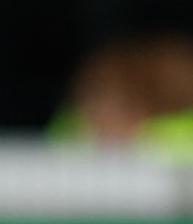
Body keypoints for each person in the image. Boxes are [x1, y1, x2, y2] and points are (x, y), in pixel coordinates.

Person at [52, 33, 193, 155]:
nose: (104, 115)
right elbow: (58, 138)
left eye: (125, 106)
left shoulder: (179, 138)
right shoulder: (73, 129)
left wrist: (143, 137)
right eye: (94, 101)